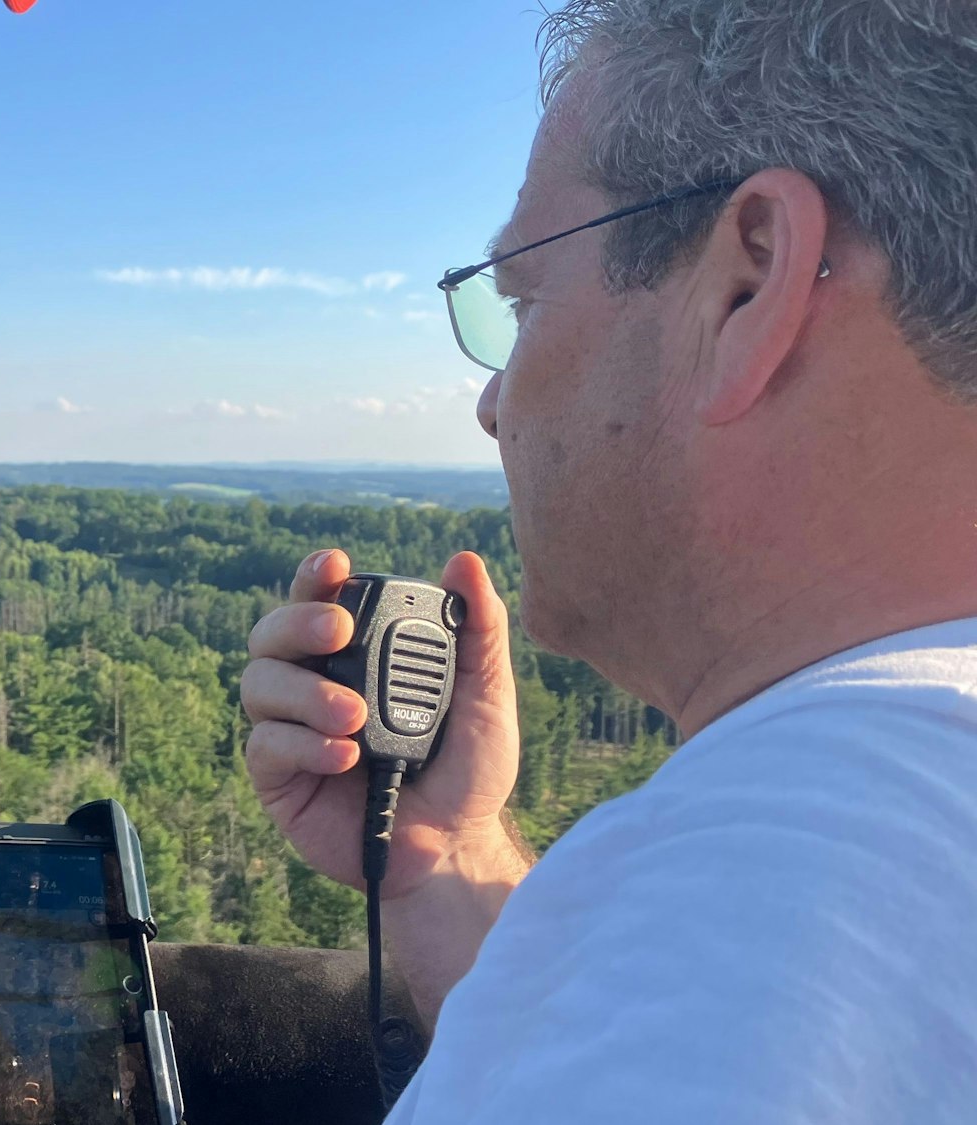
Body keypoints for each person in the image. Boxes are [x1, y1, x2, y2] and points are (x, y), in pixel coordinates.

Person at [240, 2, 977, 1121]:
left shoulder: (773, 877)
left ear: (749, 281)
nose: (492, 402)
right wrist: (445, 860)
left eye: (523, 300)